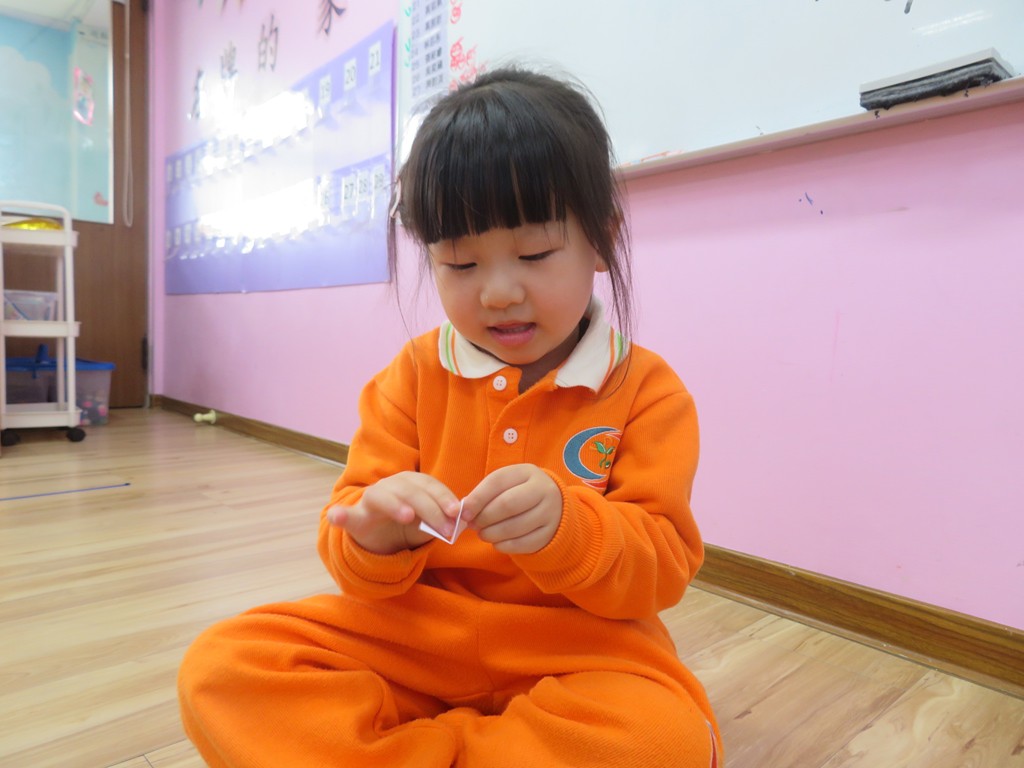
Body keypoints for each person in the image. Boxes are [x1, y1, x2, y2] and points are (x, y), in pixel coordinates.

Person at [178, 66, 721, 767]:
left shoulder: (648, 391)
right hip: (412, 636)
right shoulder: (410, 376)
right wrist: (376, 533)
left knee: (663, 740)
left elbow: (662, 569)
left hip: (578, 650)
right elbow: (349, 543)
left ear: (601, 240)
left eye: (534, 254)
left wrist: (570, 528)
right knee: (223, 667)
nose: (497, 292)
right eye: (460, 265)